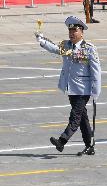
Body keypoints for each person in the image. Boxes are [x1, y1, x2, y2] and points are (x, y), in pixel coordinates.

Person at [35, 16, 102, 156]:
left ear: (82, 32)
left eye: (75, 31)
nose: (72, 33)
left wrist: (96, 90)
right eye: (70, 31)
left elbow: (96, 70)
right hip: (71, 88)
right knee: (83, 118)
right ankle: (90, 145)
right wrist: (42, 41)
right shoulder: (66, 45)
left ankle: (62, 141)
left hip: (84, 90)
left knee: (75, 117)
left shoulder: (89, 49)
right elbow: (55, 48)